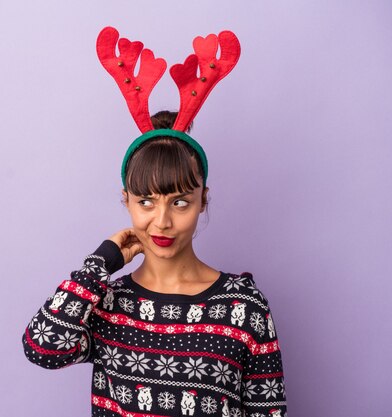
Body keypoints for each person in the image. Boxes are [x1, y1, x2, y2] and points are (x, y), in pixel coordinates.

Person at [22, 26, 287, 416]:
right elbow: (42, 348)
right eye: (146, 201)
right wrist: (100, 263)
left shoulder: (243, 307)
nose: (161, 221)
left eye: (180, 202)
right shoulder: (106, 302)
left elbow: (270, 412)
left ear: (202, 202)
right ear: (126, 201)